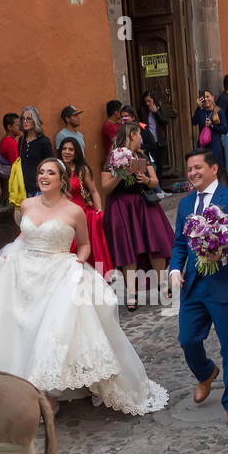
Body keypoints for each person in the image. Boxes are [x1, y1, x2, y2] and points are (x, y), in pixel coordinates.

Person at [0, 158, 167, 416]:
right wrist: (9, 254)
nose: (43, 176)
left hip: (59, 271)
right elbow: (25, 235)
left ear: (61, 180)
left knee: (51, 330)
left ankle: (49, 393)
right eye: (41, 171)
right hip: (26, 272)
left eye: (50, 172)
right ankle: (21, 386)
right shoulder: (27, 205)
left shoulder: (74, 211)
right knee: (19, 329)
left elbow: (84, 244)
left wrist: (80, 261)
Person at [168, 149, 228, 428]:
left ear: (214, 168)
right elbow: (180, 243)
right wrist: (173, 269)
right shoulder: (184, 205)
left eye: (198, 168)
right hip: (194, 284)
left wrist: (224, 254)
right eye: (190, 169)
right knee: (187, 339)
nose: (193, 173)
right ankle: (206, 372)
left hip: (225, 285)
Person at [101, 122, 172, 309]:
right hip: (120, 206)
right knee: (127, 248)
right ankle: (132, 294)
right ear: (132, 134)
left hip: (143, 205)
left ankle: (163, 286)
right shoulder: (112, 157)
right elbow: (106, 188)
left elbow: (155, 180)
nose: (141, 137)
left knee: (155, 242)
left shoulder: (142, 155)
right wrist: (120, 173)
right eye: (139, 134)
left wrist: (146, 180)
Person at [59, 137, 113, 278]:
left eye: (70, 149)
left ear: (76, 152)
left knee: (88, 249)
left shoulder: (82, 170)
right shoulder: (56, 169)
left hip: (83, 215)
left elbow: (94, 191)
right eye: (64, 149)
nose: (67, 152)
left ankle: (94, 280)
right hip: (63, 216)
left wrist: (99, 211)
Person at [15, 106, 55, 198]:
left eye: (28, 119)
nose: (25, 121)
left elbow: (51, 165)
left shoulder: (44, 141)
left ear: (35, 121)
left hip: (39, 189)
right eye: (23, 119)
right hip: (23, 188)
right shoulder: (21, 140)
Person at [191, 90, 226, 172]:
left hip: (214, 145)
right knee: (202, 171)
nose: (206, 99)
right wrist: (198, 107)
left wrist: (212, 126)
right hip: (202, 146)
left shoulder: (219, 112)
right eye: (204, 97)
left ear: (212, 97)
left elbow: (224, 129)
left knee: (215, 171)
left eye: (208, 97)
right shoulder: (201, 111)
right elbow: (194, 122)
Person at [140, 91, 169, 174]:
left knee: (159, 165)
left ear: (154, 100)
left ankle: (159, 185)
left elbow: (165, 122)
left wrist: (156, 112)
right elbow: (141, 124)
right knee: (150, 165)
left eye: (149, 101)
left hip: (160, 142)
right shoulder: (143, 111)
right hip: (149, 142)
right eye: (146, 102)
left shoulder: (160, 108)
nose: (147, 104)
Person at [0, 112, 21, 202]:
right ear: (9, 127)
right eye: (18, 125)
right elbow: (16, 165)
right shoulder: (10, 143)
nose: (20, 127)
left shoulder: (5, 140)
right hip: (11, 182)